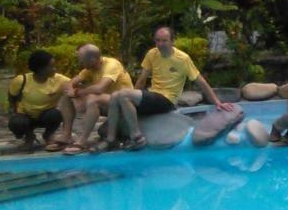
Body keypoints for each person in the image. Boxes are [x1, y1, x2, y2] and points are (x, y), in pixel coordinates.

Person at [99, 26, 234, 152]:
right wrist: (133, 96)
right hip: (152, 96)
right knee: (117, 96)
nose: (160, 44)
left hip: (167, 100)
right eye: (157, 40)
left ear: (172, 41)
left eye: (164, 40)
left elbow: (201, 81)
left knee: (123, 95)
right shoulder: (152, 54)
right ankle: (111, 139)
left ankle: (136, 137)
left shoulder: (183, 59)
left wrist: (217, 102)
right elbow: (141, 80)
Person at [52, 44, 133, 155]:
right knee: (68, 97)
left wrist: (76, 92)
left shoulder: (112, 65)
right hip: (107, 103)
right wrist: (73, 94)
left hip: (123, 103)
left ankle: (82, 141)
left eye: (81, 61)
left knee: (93, 98)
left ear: (92, 59)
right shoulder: (89, 68)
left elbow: (100, 88)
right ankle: (66, 135)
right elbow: (69, 84)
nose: (80, 63)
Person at [9, 50, 70, 152]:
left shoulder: (59, 80)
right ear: (40, 69)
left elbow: (77, 83)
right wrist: (15, 113)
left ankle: (48, 135)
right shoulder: (21, 80)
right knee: (16, 122)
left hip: (46, 116)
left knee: (55, 114)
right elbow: (12, 97)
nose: (54, 69)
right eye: (51, 67)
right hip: (26, 116)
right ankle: (29, 137)